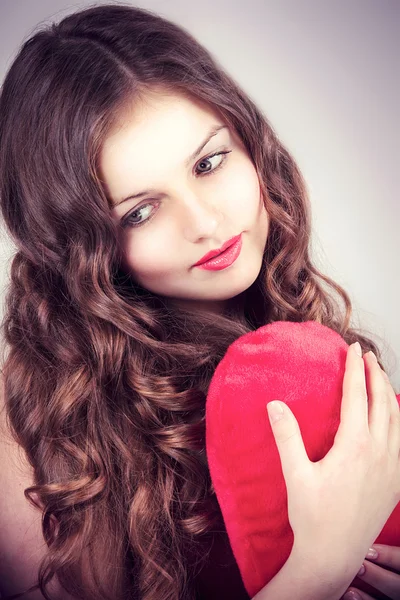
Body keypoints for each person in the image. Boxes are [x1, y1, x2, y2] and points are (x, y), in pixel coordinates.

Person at [0, 4, 399, 600]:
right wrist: (321, 566)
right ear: (79, 249)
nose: (207, 222)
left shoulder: (310, 342)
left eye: (210, 163)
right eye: (140, 211)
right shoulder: (32, 430)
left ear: (251, 141)